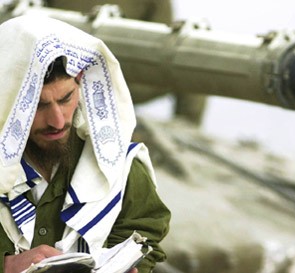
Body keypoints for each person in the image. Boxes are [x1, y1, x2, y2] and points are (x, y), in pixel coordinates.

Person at [0, 15, 171, 273]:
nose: (57, 121)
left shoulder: (115, 167)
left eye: (66, 98)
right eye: (39, 106)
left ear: (80, 81)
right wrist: (6, 263)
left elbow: (144, 233)